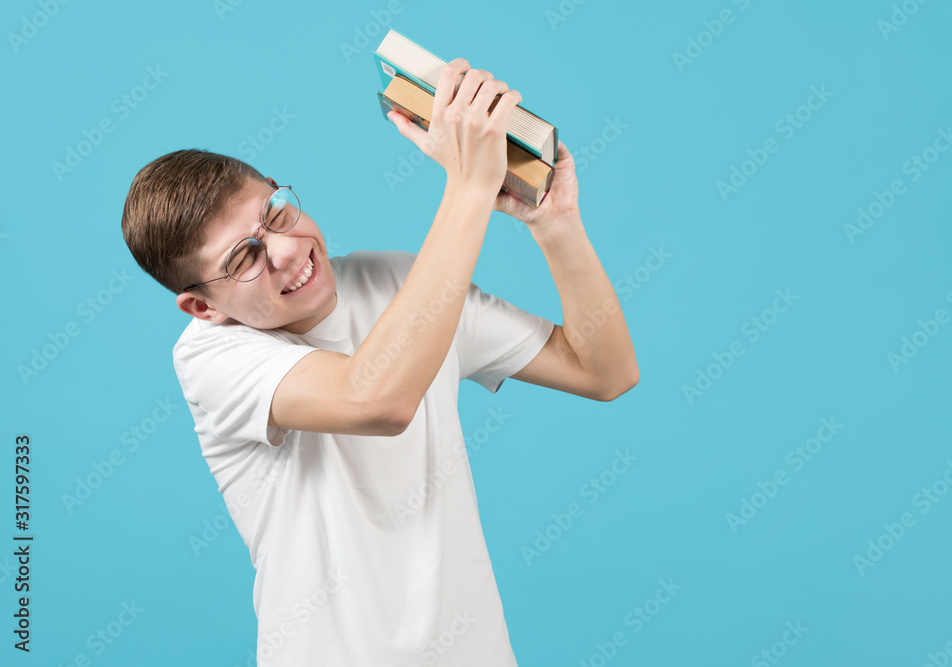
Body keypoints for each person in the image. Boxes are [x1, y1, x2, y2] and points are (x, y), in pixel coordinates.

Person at [121, 58, 638, 666]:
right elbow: (377, 400)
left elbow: (604, 371)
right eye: (244, 259)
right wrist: (469, 186)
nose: (288, 252)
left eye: (277, 213)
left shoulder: (400, 280)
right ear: (201, 306)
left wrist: (555, 225)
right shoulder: (212, 356)